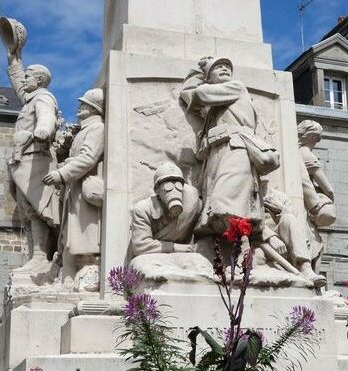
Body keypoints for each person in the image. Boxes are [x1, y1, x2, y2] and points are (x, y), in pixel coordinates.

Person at [180, 56, 279, 236]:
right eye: (217, 67)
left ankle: (243, 243)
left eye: (227, 66)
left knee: (225, 199)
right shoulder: (215, 109)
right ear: (208, 78)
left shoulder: (236, 87)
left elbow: (200, 94)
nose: (224, 68)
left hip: (236, 148)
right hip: (218, 151)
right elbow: (188, 96)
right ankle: (230, 244)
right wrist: (198, 74)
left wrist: (203, 82)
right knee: (213, 204)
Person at [43, 88, 104, 289]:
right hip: (73, 188)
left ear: (94, 108)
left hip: (82, 188)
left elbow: (88, 158)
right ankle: (67, 278)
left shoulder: (97, 128)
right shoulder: (85, 130)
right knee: (68, 236)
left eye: (85, 104)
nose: (80, 107)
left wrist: (62, 173)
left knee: (83, 235)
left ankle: (85, 275)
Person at [6, 50, 60, 272]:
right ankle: (34, 257)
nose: (25, 79)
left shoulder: (43, 97)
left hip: (36, 159)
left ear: (39, 80)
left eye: (29, 76)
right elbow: (18, 81)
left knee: (37, 207)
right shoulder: (29, 98)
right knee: (27, 209)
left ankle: (40, 256)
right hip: (22, 161)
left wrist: (43, 130)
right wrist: (14, 58)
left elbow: (47, 116)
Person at [262, 182, 326, 287]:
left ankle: (305, 268)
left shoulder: (280, 196)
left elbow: (292, 219)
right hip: (261, 240)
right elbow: (247, 220)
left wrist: (280, 209)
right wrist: (270, 237)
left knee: (288, 218)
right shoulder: (248, 194)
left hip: (284, 244)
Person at [130, 163, 201, 256]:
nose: (174, 190)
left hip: (185, 254)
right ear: (157, 190)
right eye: (168, 186)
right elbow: (140, 245)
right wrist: (174, 247)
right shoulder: (143, 209)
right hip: (152, 256)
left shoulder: (192, 202)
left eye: (178, 185)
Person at [297, 120, 336, 272]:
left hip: (299, 206)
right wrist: (328, 200)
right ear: (314, 137)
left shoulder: (294, 153)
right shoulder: (308, 155)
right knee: (315, 245)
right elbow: (329, 189)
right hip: (310, 210)